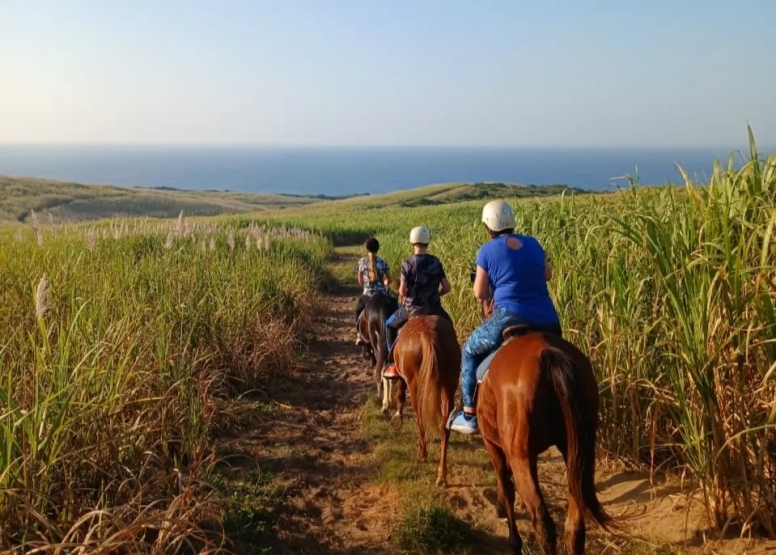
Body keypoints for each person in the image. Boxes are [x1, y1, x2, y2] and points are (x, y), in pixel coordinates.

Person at [449, 200, 561, 435]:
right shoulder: (533, 243)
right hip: (548, 318)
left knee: (469, 350)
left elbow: (479, 292)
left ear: (488, 226)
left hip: (509, 316)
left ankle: (468, 413)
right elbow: (548, 275)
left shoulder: (487, 250)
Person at [382, 226, 452, 379]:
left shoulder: (408, 262)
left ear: (412, 242)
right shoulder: (435, 261)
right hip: (434, 308)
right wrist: (435, 294)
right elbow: (446, 287)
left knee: (388, 324)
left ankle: (392, 363)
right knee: (450, 327)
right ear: (427, 242)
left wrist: (407, 295)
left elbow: (402, 291)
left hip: (411, 309)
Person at [354, 236, 392, 345]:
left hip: (367, 294)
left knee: (357, 311)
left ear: (367, 248)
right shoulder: (383, 262)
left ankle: (359, 335)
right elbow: (389, 279)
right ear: (377, 249)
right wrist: (384, 284)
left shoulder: (362, 262)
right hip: (381, 294)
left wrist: (366, 285)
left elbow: (360, 280)